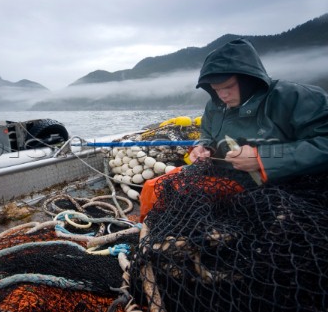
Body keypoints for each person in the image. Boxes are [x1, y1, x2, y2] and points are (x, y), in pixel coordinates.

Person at [139, 38, 328, 221]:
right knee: (152, 188)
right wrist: (204, 147)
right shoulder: (214, 105)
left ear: (249, 79)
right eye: (215, 89)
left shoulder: (296, 97)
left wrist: (263, 158)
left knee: (173, 198)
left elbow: (323, 143)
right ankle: (144, 229)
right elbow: (207, 134)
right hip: (223, 176)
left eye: (228, 86)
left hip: (279, 186)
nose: (222, 95)